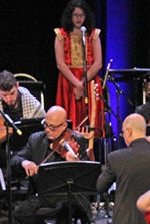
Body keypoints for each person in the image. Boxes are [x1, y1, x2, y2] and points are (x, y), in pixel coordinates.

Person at [11, 105, 90, 224]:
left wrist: (74, 164)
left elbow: (86, 173)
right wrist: (25, 162)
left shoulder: (76, 140)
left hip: (67, 193)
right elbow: (15, 159)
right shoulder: (35, 139)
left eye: (53, 127)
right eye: (45, 124)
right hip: (43, 193)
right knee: (20, 212)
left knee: (66, 208)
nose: (48, 130)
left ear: (64, 126)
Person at [54, 0, 104, 133]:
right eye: (75, 15)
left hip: (89, 79)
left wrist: (82, 82)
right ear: (70, 16)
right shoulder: (61, 35)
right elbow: (60, 64)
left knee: (91, 119)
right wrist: (77, 83)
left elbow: (98, 63)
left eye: (82, 15)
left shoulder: (93, 35)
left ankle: (92, 148)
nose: (78, 18)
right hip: (68, 81)